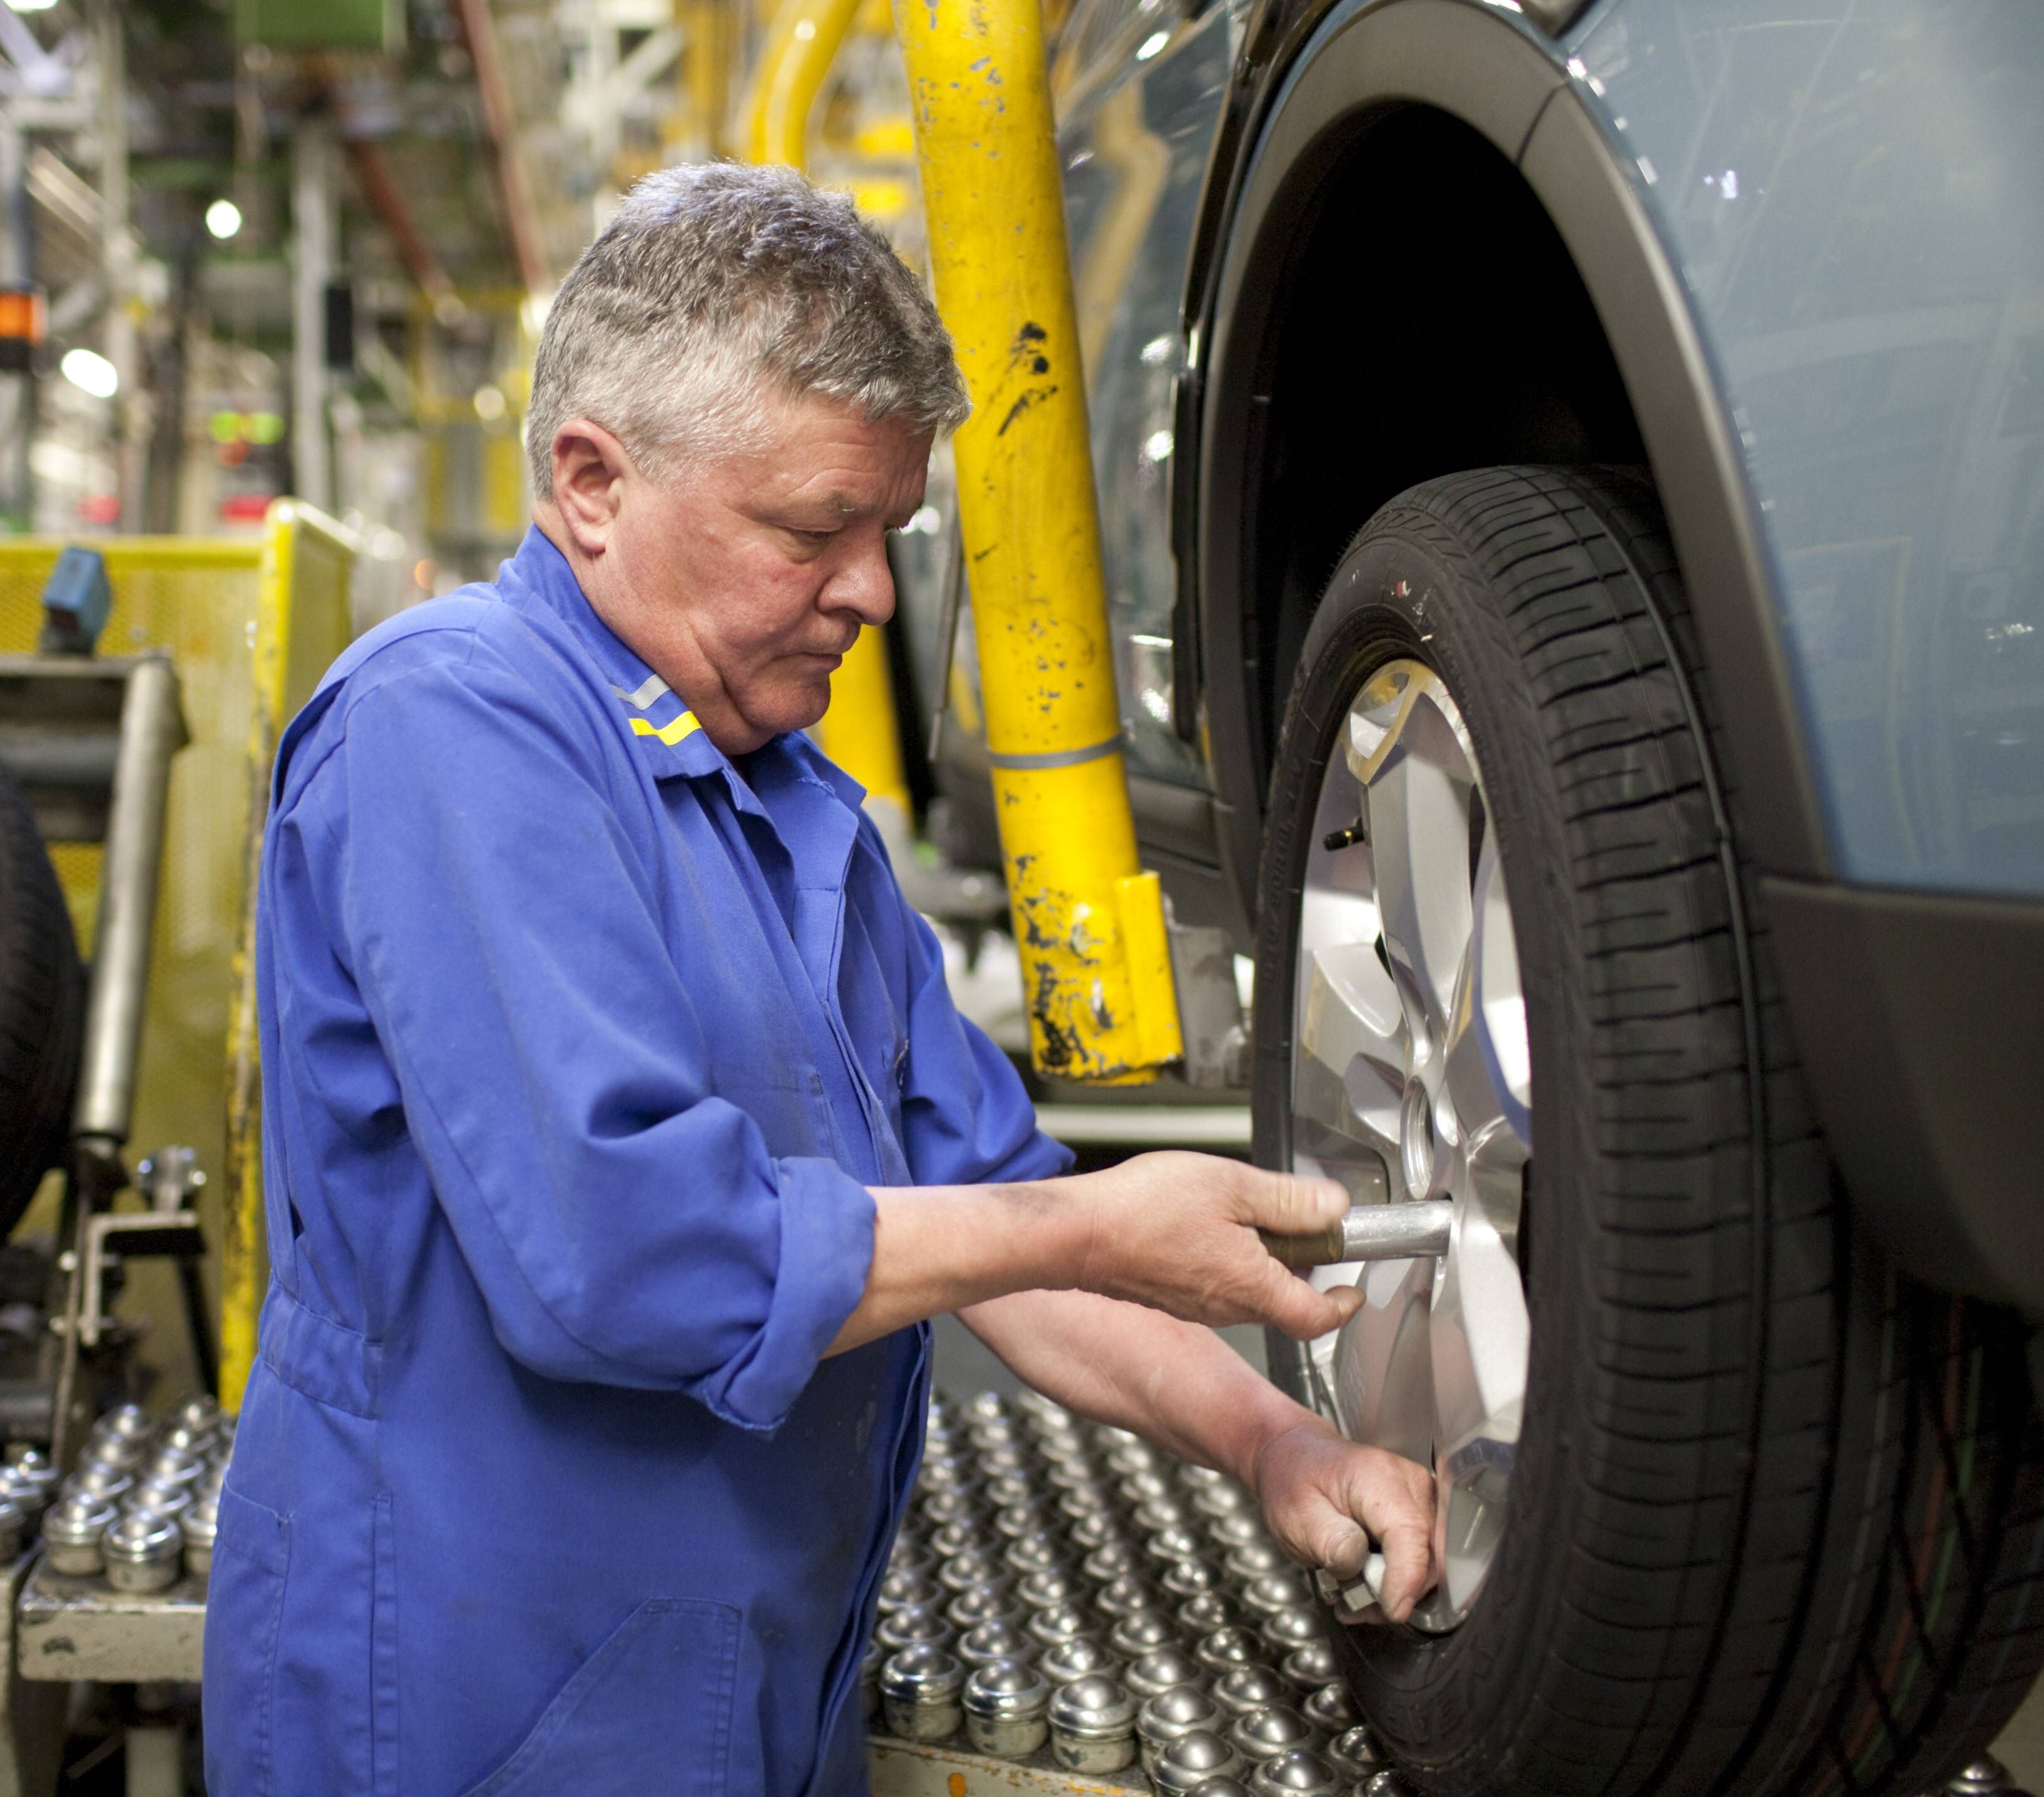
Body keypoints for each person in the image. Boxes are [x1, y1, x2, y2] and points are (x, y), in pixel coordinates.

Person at [203, 161, 1436, 1797]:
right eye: (811, 530)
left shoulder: (799, 814)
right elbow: (622, 1258)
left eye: (888, 535)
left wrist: (1273, 1440)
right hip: (474, 1699)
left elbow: (990, 1227)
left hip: (744, 1694)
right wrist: (1090, 1218)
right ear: (590, 482)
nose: (867, 591)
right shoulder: (453, 729)